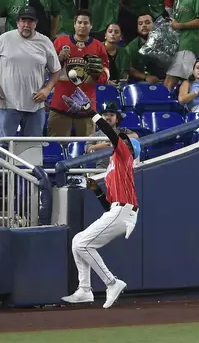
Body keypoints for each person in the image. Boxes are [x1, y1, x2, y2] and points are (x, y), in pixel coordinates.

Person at [59, 88, 141, 309]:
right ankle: (85, 290)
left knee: (83, 244)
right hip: (119, 210)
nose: (120, 140)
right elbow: (108, 207)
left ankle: (111, 282)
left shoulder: (124, 155)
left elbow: (112, 134)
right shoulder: (115, 168)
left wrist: (91, 112)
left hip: (124, 211)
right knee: (79, 242)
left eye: (124, 140)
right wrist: (97, 191)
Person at [0, 7, 62, 138]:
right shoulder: (4, 39)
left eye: (30, 21)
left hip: (35, 105)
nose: (26, 25)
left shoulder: (45, 42)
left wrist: (47, 89)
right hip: (7, 103)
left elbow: (56, 70)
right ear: (17, 22)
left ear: (35, 23)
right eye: (23, 21)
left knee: (31, 148)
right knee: (3, 145)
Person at [48, 10, 109, 138]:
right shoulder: (60, 42)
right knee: (57, 147)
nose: (82, 25)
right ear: (74, 24)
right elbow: (48, 69)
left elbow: (105, 78)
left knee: (87, 149)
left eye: (86, 23)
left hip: (86, 106)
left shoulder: (99, 47)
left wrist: (97, 74)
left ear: (91, 25)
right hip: (60, 104)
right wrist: (58, 59)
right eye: (79, 22)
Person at [85, 102, 139, 169]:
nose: (108, 117)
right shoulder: (95, 135)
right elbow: (87, 150)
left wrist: (117, 140)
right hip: (101, 169)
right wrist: (99, 146)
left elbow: (136, 136)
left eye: (111, 115)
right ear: (101, 118)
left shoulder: (123, 131)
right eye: (105, 115)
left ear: (117, 119)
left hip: (121, 167)